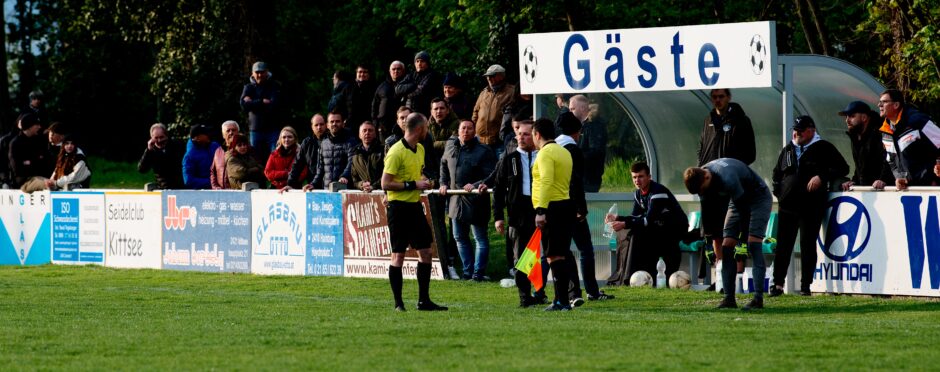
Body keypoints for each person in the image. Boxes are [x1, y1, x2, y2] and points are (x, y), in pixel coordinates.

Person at [770, 115, 849, 297]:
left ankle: (806, 285)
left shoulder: (824, 147)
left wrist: (821, 176)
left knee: (807, 244)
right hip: (787, 205)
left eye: (801, 130)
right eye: (795, 129)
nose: (797, 133)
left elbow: (843, 168)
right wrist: (779, 192)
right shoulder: (788, 149)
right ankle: (778, 283)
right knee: (783, 244)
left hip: (811, 204)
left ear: (811, 131)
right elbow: (776, 173)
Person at [381, 112, 447, 312]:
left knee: (425, 252)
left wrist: (425, 181)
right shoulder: (395, 151)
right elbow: (386, 183)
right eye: (426, 127)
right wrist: (413, 184)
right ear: (419, 129)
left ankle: (423, 301)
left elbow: (416, 175)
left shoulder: (419, 149)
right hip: (398, 209)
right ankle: (398, 303)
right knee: (398, 256)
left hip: (415, 206)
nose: (428, 130)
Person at [684, 158, 771, 310]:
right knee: (727, 246)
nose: (702, 193)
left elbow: (745, 211)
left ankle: (758, 299)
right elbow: (706, 211)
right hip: (737, 200)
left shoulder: (727, 178)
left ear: (707, 177)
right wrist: (708, 243)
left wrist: (742, 242)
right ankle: (729, 299)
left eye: (702, 190)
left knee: (753, 244)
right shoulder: (701, 177)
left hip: (758, 198)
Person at [696, 88, 756, 286]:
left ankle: (736, 278)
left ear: (729, 97)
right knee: (715, 231)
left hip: (730, 182)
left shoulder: (741, 120)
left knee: (732, 229)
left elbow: (751, 153)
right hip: (709, 183)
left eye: (721, 97)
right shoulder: (708, 120)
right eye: (714, 97)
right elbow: (702, 148)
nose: (717, 100)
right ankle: (720, 276)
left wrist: (734, 168)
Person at [555, 112, 612, 305]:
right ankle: (591, 290)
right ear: (578, 131)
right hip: (572, 205)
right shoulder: (573, 149)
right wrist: (581, 207)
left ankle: (573, 291)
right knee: (585, 248)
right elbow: (576, 181)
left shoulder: (552, 148)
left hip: (556, 204)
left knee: (564, 251)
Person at [492, 119, 548, 306]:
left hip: (542, 208)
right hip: (518, 213)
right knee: (522, 256)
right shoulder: (509, 159)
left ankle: (542, 292)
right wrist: (499, 217)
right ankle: (525, 296)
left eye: (526, 134)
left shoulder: (544, 156)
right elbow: (498, 190)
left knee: (547, 253)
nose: (521, 137)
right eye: (519, 134)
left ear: (535, 135)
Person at [607, 162, 687, 285]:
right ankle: (628, 275)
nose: (637, 180)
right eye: (634, 177)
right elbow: (636, 216)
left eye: (641, 176)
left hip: (674, 230)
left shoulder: (658, 192)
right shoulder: (638, 193)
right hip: (658, 227)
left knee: (638, 233)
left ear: (649, 177)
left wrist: (624, 224)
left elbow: (647, 220)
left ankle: (636, 276)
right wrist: (618, 218)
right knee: (634, 232)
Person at [439, 120, 496, 281]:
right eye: (463, 128)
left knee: (480, 238)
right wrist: (443, 183)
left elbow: (492, 174)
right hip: (455, 200)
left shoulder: (484, 151)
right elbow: (443, 166)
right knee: (459, 237)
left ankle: (478, 274)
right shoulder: (450, 147)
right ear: (458, 131)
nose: (466, 131)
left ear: (474, 130)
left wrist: (477, 185)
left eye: (469, 128)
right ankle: (467, 272)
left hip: (476, 201)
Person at [531, 118, 577, 311]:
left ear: (537, 134)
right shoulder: (564, 152)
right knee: (561, 255)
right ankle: (561, 299)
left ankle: (562, 302)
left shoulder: (545, 154)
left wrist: (541, 210)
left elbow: (547, 181)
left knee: (554, 257)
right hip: (566, 204)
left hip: (553, 207)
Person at [873, 89, 940, 190]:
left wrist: (934, 176)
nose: (879, 105)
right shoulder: (885, 131)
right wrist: (897, 177)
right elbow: (891, 160)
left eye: (884, 102)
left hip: (930, 187)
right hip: (907, 190)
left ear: (896, 105)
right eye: (879, 102)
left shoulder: (918, 120)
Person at [839, 101, 892, 190]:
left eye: (852, 116)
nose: (847, 120)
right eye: (846, 116)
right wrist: (854, 181)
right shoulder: (856, 136)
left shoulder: (881, 133)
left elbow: (890, 158)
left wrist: (883, 179)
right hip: (869, 190)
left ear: (864, 117)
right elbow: (860, 165)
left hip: (884, 189)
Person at [239, 61, 281, 162]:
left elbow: (274, 105)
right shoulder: (248, 87)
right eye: (257, 72)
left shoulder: (274, 86)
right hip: (255, 130)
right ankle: (258, 177)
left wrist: (252, 102)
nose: (259, 75)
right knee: (255, 157)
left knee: (275, 157)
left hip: (272, 129)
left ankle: (273, 177)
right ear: (252, 73)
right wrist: (262, 101)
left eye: (262, 72)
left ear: (267, 72)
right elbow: (244, 105)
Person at [472, 64, 515, 159]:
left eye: (492, 75)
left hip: (499, 141)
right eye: (487, 76)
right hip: (481, 141)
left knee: (500, 168)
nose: (489, 78)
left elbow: (513, 114)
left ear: (501, 76)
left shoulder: (511, 91)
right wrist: (474, 128)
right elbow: (475, 111)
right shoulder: (484, 92)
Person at [309, 112, 358, 190]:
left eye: (337, 121)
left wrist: (344, 176)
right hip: (327, 190)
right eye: (332, 121)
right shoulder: (324, 143)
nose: (334, 124)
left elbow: (351, 163)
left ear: (343, 123)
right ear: (327, 125)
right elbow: (320, 168)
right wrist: (313, 184)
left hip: (345, 189)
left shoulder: (351, 142)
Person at [568, 94, 607, 193]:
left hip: (589, 177)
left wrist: (575, 157)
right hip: (580, 176)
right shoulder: (581, 125)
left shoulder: (594, 125)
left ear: (582, 108)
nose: (570, 112)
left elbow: (596, 151)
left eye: (572, 109)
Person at [138, 123, 185, 189]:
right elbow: (142, 169)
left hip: (181, 187)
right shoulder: (151, 151)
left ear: (166, 136)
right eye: (156, 138)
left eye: (161, 137)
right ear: (152, 138)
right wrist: (148, 151)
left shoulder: (177, 145)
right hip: (163, 189)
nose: (159, 140)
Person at [284, 114, 325, 190]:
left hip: (329, 185)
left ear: (326, 125)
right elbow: (297, 165)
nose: (319, 127)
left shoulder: (332, 141)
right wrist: (290, 184)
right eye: (316, 125)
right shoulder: (307, 143)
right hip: (312, 186)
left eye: (321, 124)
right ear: (312, 127)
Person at [396, 51, 442, 117]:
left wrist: (406, 94)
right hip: (409, 111)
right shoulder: (411, 75)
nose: (419, 64)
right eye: (417, 61)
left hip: (424, 112)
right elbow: (398, 89)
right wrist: (413, 85)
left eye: (422, 61)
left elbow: (420, 91)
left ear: (427, 63)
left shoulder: (432, 75)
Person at [8, 113, 48, 187]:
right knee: (48, 184)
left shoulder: (37, 141)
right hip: (23, 181)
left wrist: (30, 162)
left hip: (38, 177)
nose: (39, 127)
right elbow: (17, 168)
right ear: (29, 127)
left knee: (53, 183)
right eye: (37, 125)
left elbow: (42, 162)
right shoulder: (16, 143)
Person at [372, 61, 406, 140]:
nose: (396, 71)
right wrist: (375, 123)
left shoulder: (408, 85)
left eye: (398, 69)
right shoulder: (382, 86)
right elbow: (374, 105)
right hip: (383, 126)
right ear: (389, 71)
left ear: (403, 71)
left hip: (402, 124)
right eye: (393, 69)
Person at [182, 124, 221, 190]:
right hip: (203, 194)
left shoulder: (215, 146)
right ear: (197, 137)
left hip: (221, 189)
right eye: (205, 133)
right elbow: (188, 180)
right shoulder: (189, 156)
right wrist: (212, 182)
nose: (209, 134)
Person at [350, 121, 383, 192]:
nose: (367, 133)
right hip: (364, 196)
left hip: (381, 193)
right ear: (359, 135)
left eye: (370, 130)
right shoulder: (355, 154)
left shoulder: (382, 151)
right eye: (364, 130)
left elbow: (387, 174)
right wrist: (362, 184)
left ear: (375, 134)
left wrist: (373, 186)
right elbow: (354, 179)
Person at [211, 120, 240, 190]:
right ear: (223, 135)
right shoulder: (218, 151)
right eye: (228, 131)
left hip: (240, 192)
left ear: (238, 132)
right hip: (222, 193)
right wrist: (215, 187)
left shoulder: (247, 149)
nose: (231, 132)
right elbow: (212, 172)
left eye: (233, 130)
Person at [348, 65, 376, 133]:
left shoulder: (374, 88)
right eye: (360, 72)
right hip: (352, 125)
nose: (362, 74)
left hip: (368, 124)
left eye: (365, 72)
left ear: (368, 74)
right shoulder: (349, 88)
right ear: (356, 73)